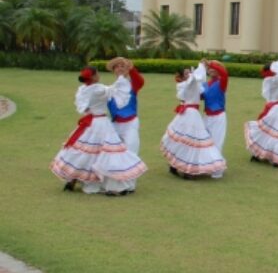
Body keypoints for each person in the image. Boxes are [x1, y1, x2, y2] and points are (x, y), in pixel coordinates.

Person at [51, 66, 147, 195]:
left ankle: (73, 178)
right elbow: (117, 90)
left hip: (88, 123)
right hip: (100, 122)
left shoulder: (82, 89)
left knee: (84, 151)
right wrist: (121, 76)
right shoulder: (98, 89)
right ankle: (117, 186)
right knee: (109, 152)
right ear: (95, 76)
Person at [161, 63, 227, 180]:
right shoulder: (196, 83)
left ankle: (213, 169)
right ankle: (187, 169)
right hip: (197, 115)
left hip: (214, 115)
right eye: (186, 73)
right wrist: (201, 67)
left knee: (206, 141)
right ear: (182, 77)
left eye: (189, 72)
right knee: (193, 141)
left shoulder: (219, 82)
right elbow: (196, 91)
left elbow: (223, 73)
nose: (190, 74)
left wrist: (209, 64)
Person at [106, 57, 144, 155]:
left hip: (130, 123)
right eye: (117, 67)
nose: (120, 68)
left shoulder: (132, 85)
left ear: (127, 69)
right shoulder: (110, 89)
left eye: (122, 66)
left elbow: (140, 81)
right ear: (114, 71)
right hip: (115, 124)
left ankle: (132, 169)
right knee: (113, 150)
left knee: (131, 147)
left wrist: (132, 69)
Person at [202, 59, 228, 179]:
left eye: (215, 68)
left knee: (217, 142)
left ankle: (218, 169)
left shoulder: (222, 81)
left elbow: (224, 73)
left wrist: (210, 63)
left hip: (218, 116)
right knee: (205, 142)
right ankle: (206, 165)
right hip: (206, 116)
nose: (211, 69)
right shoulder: (206, 84)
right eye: (210, 68)